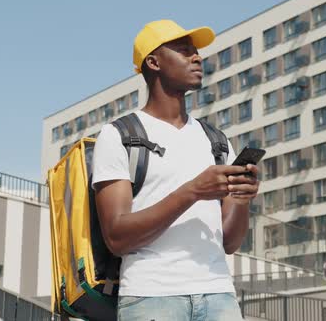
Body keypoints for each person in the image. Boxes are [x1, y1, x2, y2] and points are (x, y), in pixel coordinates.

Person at [92, 20, 260, 321]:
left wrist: (242, 198)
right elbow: (117, 238)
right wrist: (194, 191)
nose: (197, 58)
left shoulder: (217, 141)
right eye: (184, 51)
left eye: (196, 52)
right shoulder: (119, 135)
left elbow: (230, 243)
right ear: (154, 62)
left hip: (219, 295)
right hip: (151, 298)